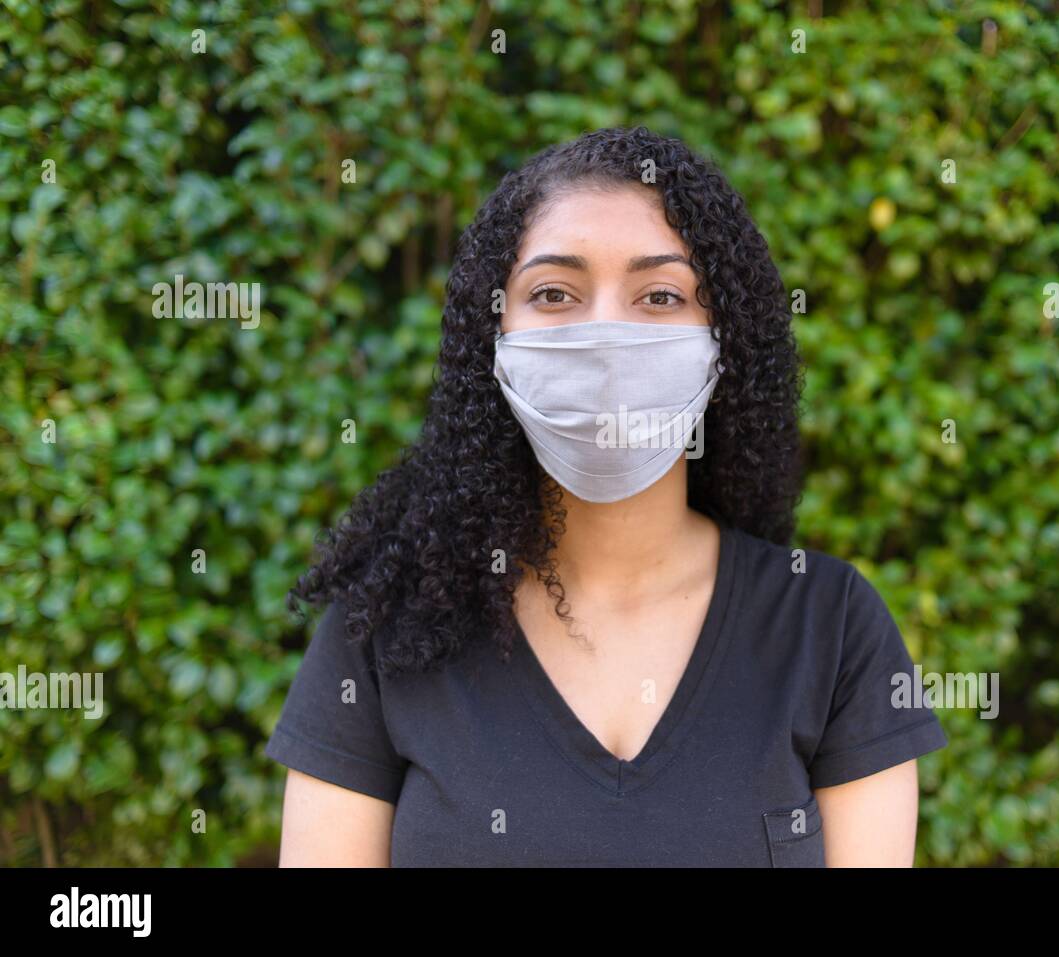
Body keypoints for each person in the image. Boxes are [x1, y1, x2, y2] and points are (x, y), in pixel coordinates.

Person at [265, 126, 948, 866]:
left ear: (726, 340)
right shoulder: (384, 630)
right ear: (491, 337)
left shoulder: (833, 628)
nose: (605, 338)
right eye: (553, 293)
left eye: (660, 294)